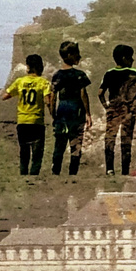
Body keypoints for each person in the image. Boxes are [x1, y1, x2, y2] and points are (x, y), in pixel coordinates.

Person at [97, 45, 136, 177]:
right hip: (128, 111)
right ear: (125, 58)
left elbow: (100, 93)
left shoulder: (109, 74)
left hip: (113, 110)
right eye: (130, 57)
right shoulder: (133, 73)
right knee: (126, 140)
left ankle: (109, 169)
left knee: (110, 138)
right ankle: (125, 170)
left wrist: (106, 106)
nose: (132, 60)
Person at [1, 53, 51, 175]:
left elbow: (5, 96)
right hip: (37, 121)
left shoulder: (20, 82)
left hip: (22, 121)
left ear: (27, 67)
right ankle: (34, 175)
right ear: (40, 67)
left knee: (24, 150)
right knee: (37, 152)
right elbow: (47, 101)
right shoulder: (43, 82)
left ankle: (23, 173)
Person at [48, 41, 92, 175]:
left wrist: (53, 114)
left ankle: (56, 171)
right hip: (76, 111)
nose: (79, 56)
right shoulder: (79, 75)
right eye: (77, 54)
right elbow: (83, 94)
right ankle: (73, 173)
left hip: (62, 110)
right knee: (76, 143)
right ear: (69, 55)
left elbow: (53, 96)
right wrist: (88, 114)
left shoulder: (57, 75)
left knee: (59, 144)